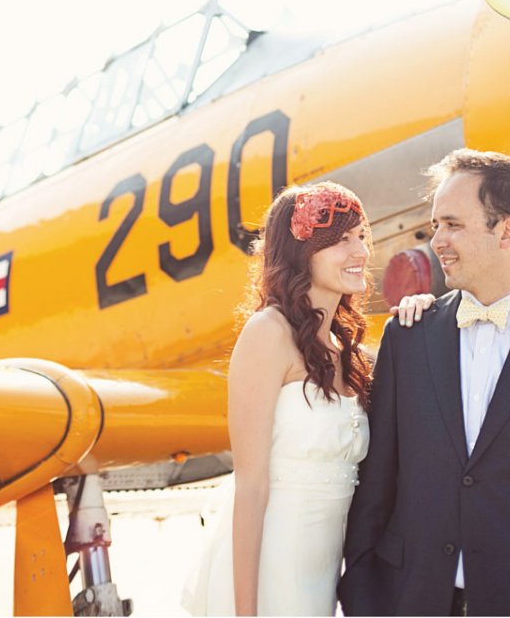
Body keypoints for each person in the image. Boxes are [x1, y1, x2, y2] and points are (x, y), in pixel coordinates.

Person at [182, 181, 428, 617]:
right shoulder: (267, 334)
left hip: (326, 579)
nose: (360, 252)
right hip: (270, 571)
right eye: (338, 240)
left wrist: (424, 311)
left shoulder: (348, 351)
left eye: (360, 237)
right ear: (300, 252)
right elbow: (251, 487)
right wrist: (246, 611)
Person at [339, 148, 510, 617]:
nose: (438, 241)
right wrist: (363, 592)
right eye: (435, 226)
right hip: (414, 599)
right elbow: (378, 481)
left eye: (452, 224)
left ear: (505, 230)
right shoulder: (407, 334)